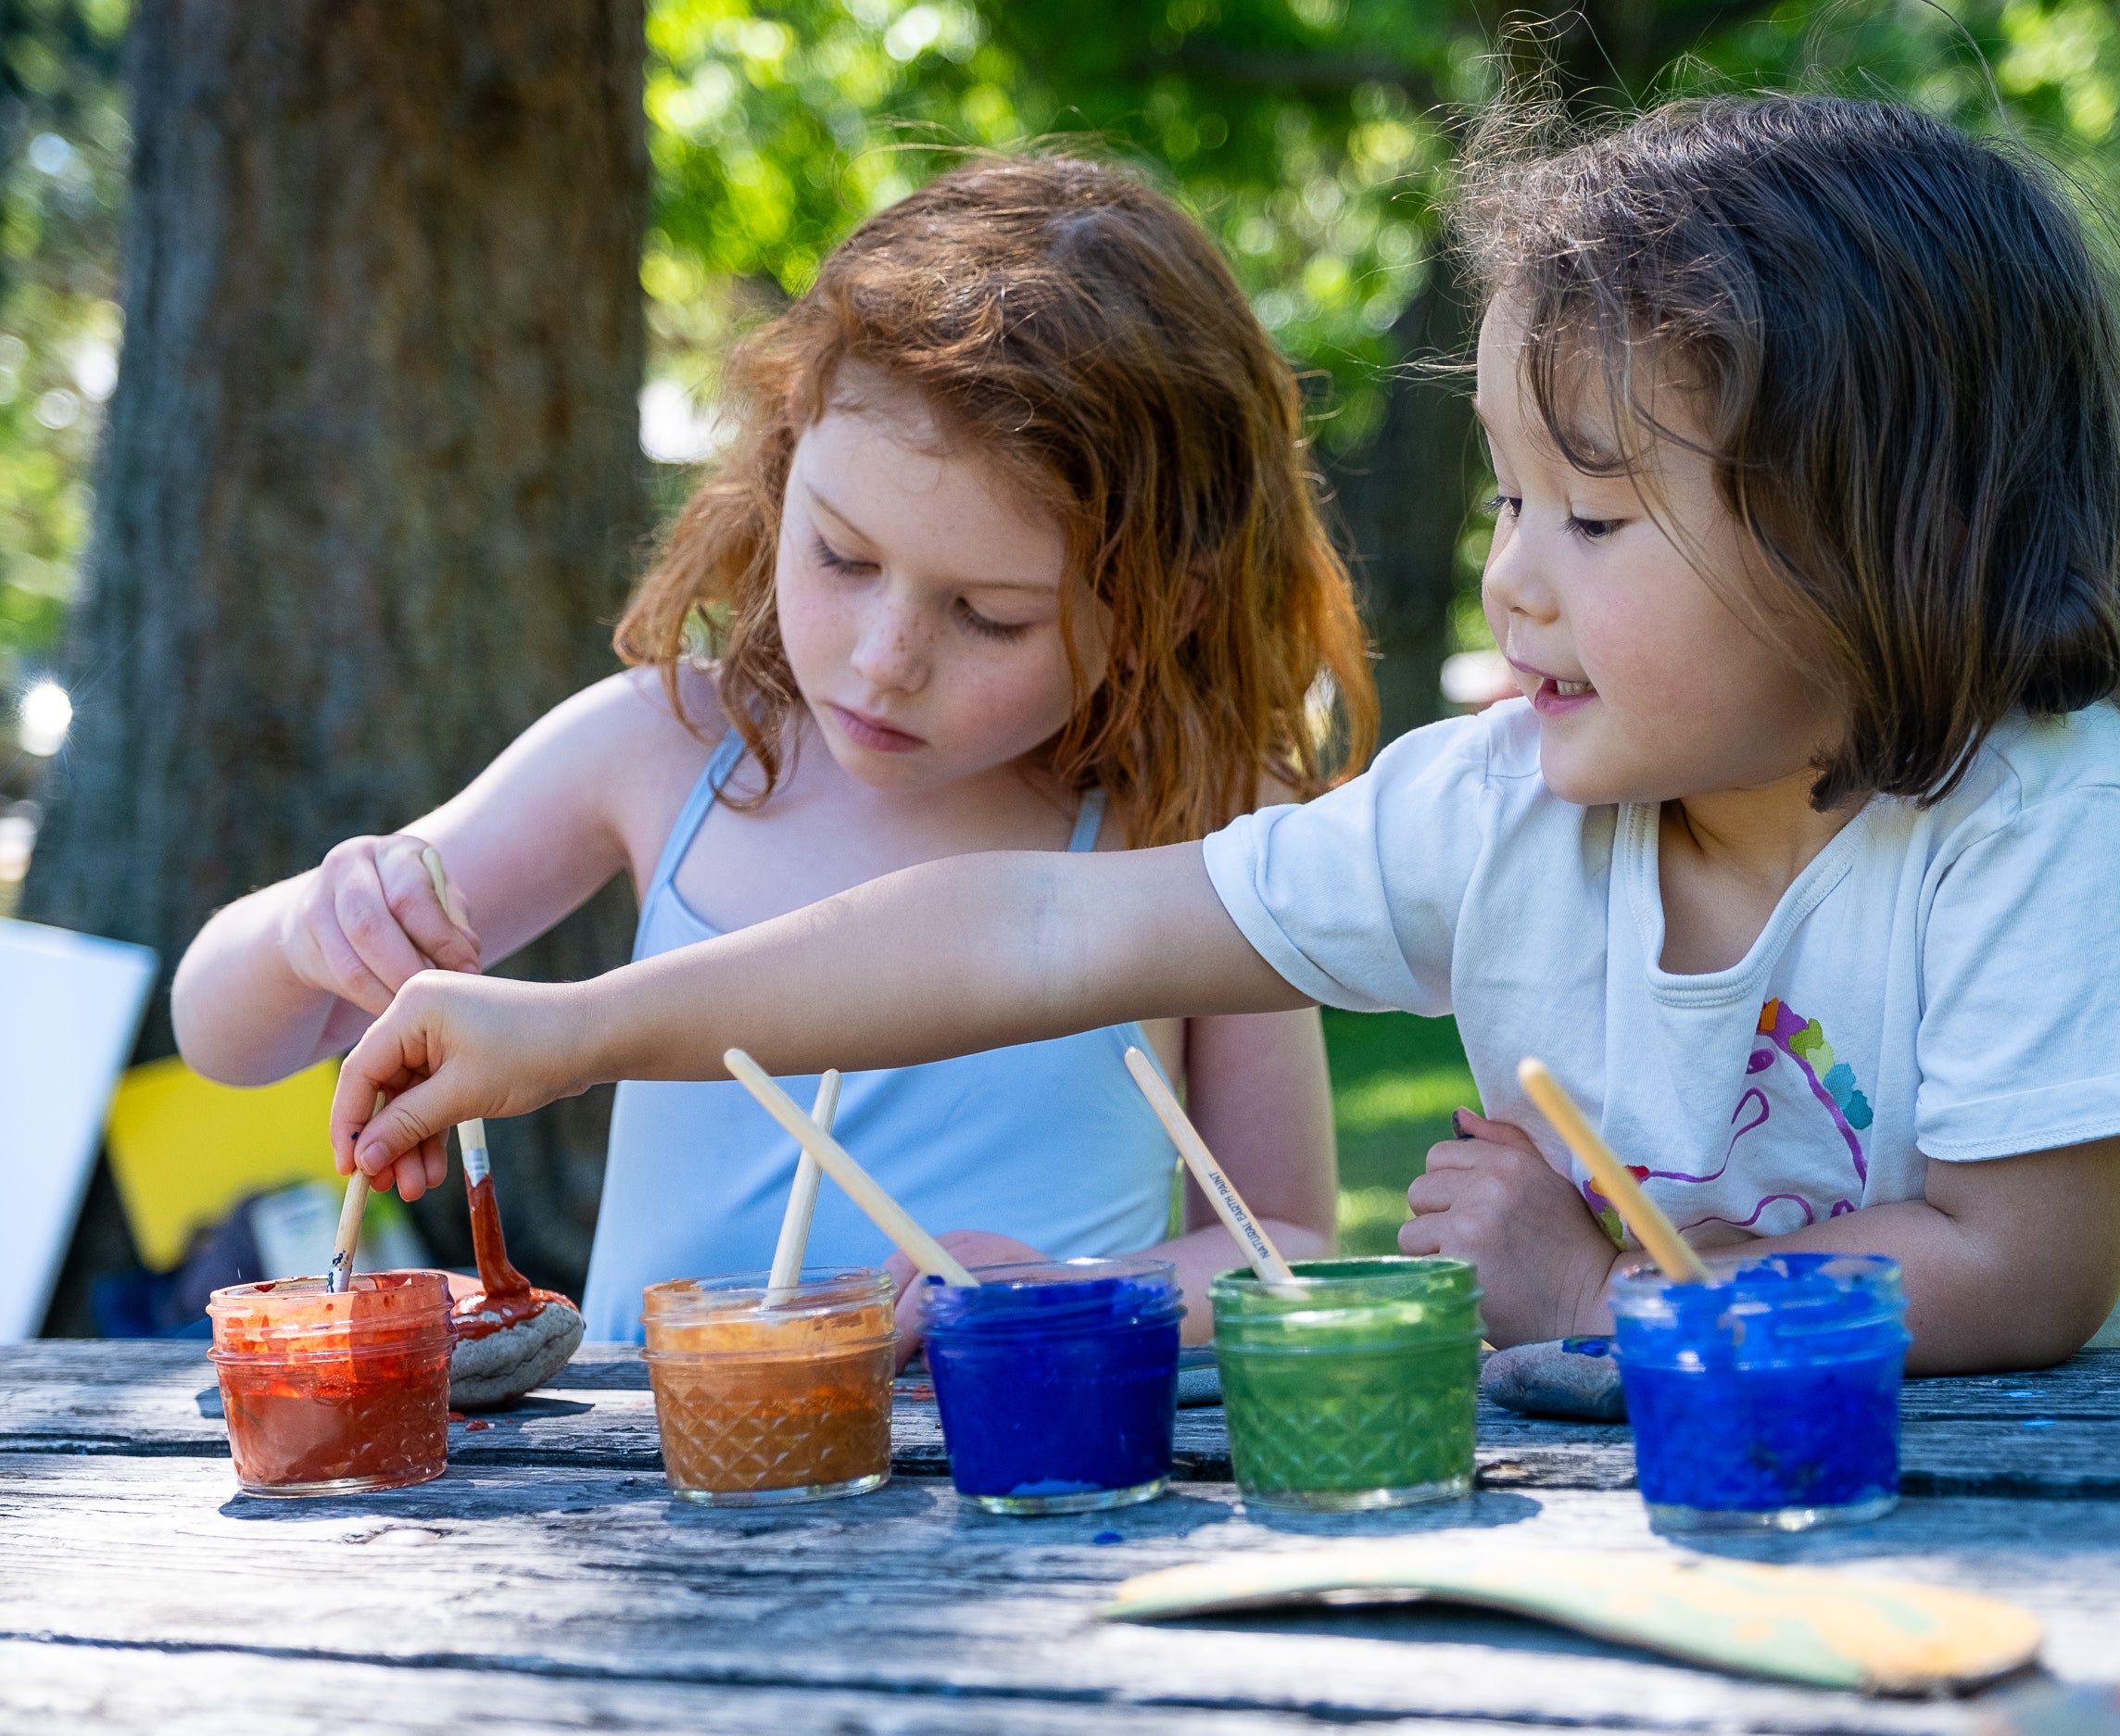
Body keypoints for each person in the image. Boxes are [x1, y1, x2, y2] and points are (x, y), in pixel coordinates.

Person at [324, 96, 2120, 1370]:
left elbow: (2021, 1272)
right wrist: (578, 1026)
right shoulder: (1491, 817)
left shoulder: (2030, 817)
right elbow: (1029, 930)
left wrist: (1599, 1294)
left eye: (1594, 513)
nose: (1513, 582)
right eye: (1502, 503)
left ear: (1876, 543)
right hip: (1784, 1466)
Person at [175, 156, 1369, 1342]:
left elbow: (1288, 1239)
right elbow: (226, 1035)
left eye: (989, 615)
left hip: (1020, 1504)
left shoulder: (1201, 816)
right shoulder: (668, 746)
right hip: (662, 1495)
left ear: (1173, 604)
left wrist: (1083, 1288)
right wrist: (313, 928)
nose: (885, 656)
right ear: (786, 454)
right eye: (843, 558)